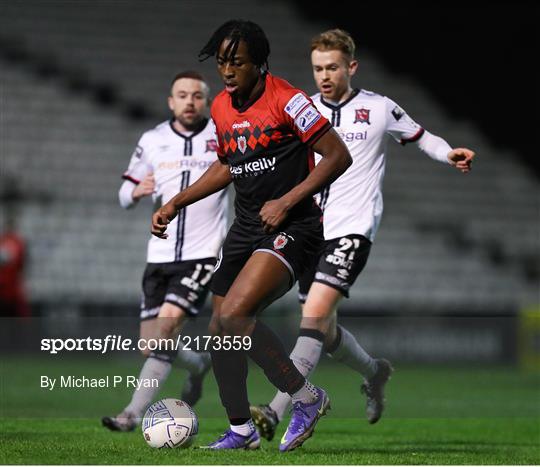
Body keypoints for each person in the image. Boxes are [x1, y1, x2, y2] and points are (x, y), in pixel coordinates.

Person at [250, 28, 476, 441]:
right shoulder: (305, 111)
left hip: (354, 228)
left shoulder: (379, 107)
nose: (324, 75)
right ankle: (375, 372)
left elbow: (422, 138)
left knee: (313, 317)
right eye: (318, 68)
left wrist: (449, 153)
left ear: (351, 66)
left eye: (332, 67)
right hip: (311, 230)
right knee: (326, 331)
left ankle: (277, 409)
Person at [151, 20, 352, 452]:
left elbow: (338, 155)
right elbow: (227, 164)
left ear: (259, 64)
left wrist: (287, 200)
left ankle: (306, 398)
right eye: (222, 61)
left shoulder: (289, 100)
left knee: (237, 316)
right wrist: (176, 202)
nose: (227, 70)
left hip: (292, 225)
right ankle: (241, 429)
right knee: (220, 330)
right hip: (244, 228)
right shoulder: (222, 106)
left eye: (237, 62)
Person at [102, 71, 229, 432]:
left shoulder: (221, 136)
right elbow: (123, 196)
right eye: (182, 95)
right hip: (158, 257)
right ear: (170, 101)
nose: (190, 101)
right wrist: (136, 192)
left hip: (203, 253)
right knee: (150, 345)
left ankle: (132, 414)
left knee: (167, 328)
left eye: (197, 95)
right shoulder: (153, 139)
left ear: (206, 101)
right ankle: (199, 364)